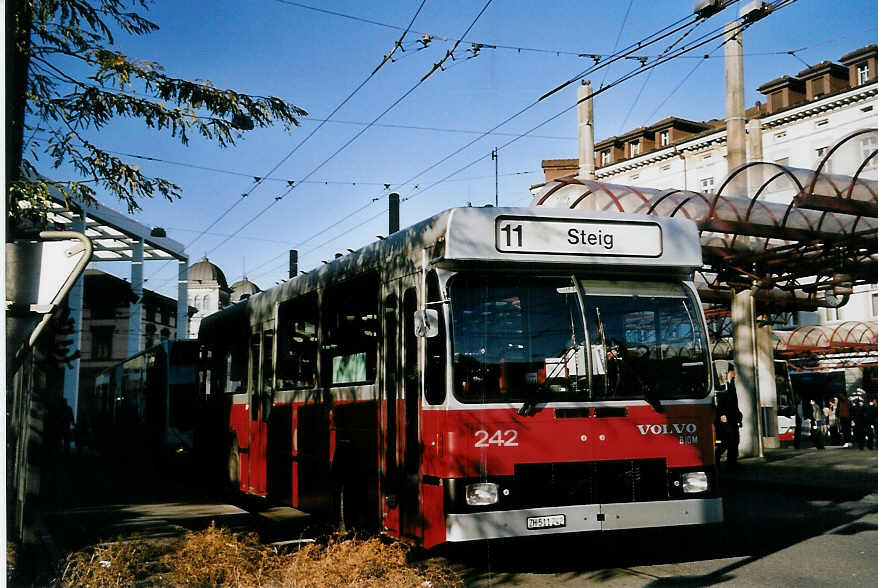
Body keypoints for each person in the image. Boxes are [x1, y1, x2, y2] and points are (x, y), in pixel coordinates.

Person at [715, 366, 743, 470]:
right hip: (726, 418)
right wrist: (722, 415)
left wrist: (738, 416)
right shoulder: (723, 385)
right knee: (727, 441)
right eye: (732, 372)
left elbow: (734, 403)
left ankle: (732, 462)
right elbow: (722, 403)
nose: (734, 374)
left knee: (734, 441)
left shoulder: (732, 384)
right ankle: (718, 459)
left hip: (732, 418)